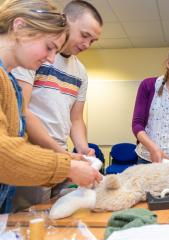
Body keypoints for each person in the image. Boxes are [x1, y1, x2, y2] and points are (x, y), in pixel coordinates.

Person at [0, 0, 102, 213]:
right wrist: (66, 163)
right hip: (37, 156)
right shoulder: (16, 72)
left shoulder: (9, 81)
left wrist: (74, 152)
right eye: (49, 47)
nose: (50, 59)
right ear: (19, 27)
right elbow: (5, 151)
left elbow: (75, 118)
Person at [12, 0, 103, 156]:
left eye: (92, 41)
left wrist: (83, 148)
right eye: (84, 35)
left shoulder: (80, 72)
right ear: (66, 22)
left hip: (60, 150)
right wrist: (60, 153)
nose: (87, 45)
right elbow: (22, 109)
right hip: (28, 149)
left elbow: (76, 119)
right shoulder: (34, 55)